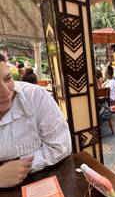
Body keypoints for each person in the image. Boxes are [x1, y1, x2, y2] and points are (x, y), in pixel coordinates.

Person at [0, 53, 72, 188]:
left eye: (8, 78)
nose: (5, 93)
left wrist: (17, 166)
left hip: (42, 182)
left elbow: (61, 145)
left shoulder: (35, 96)